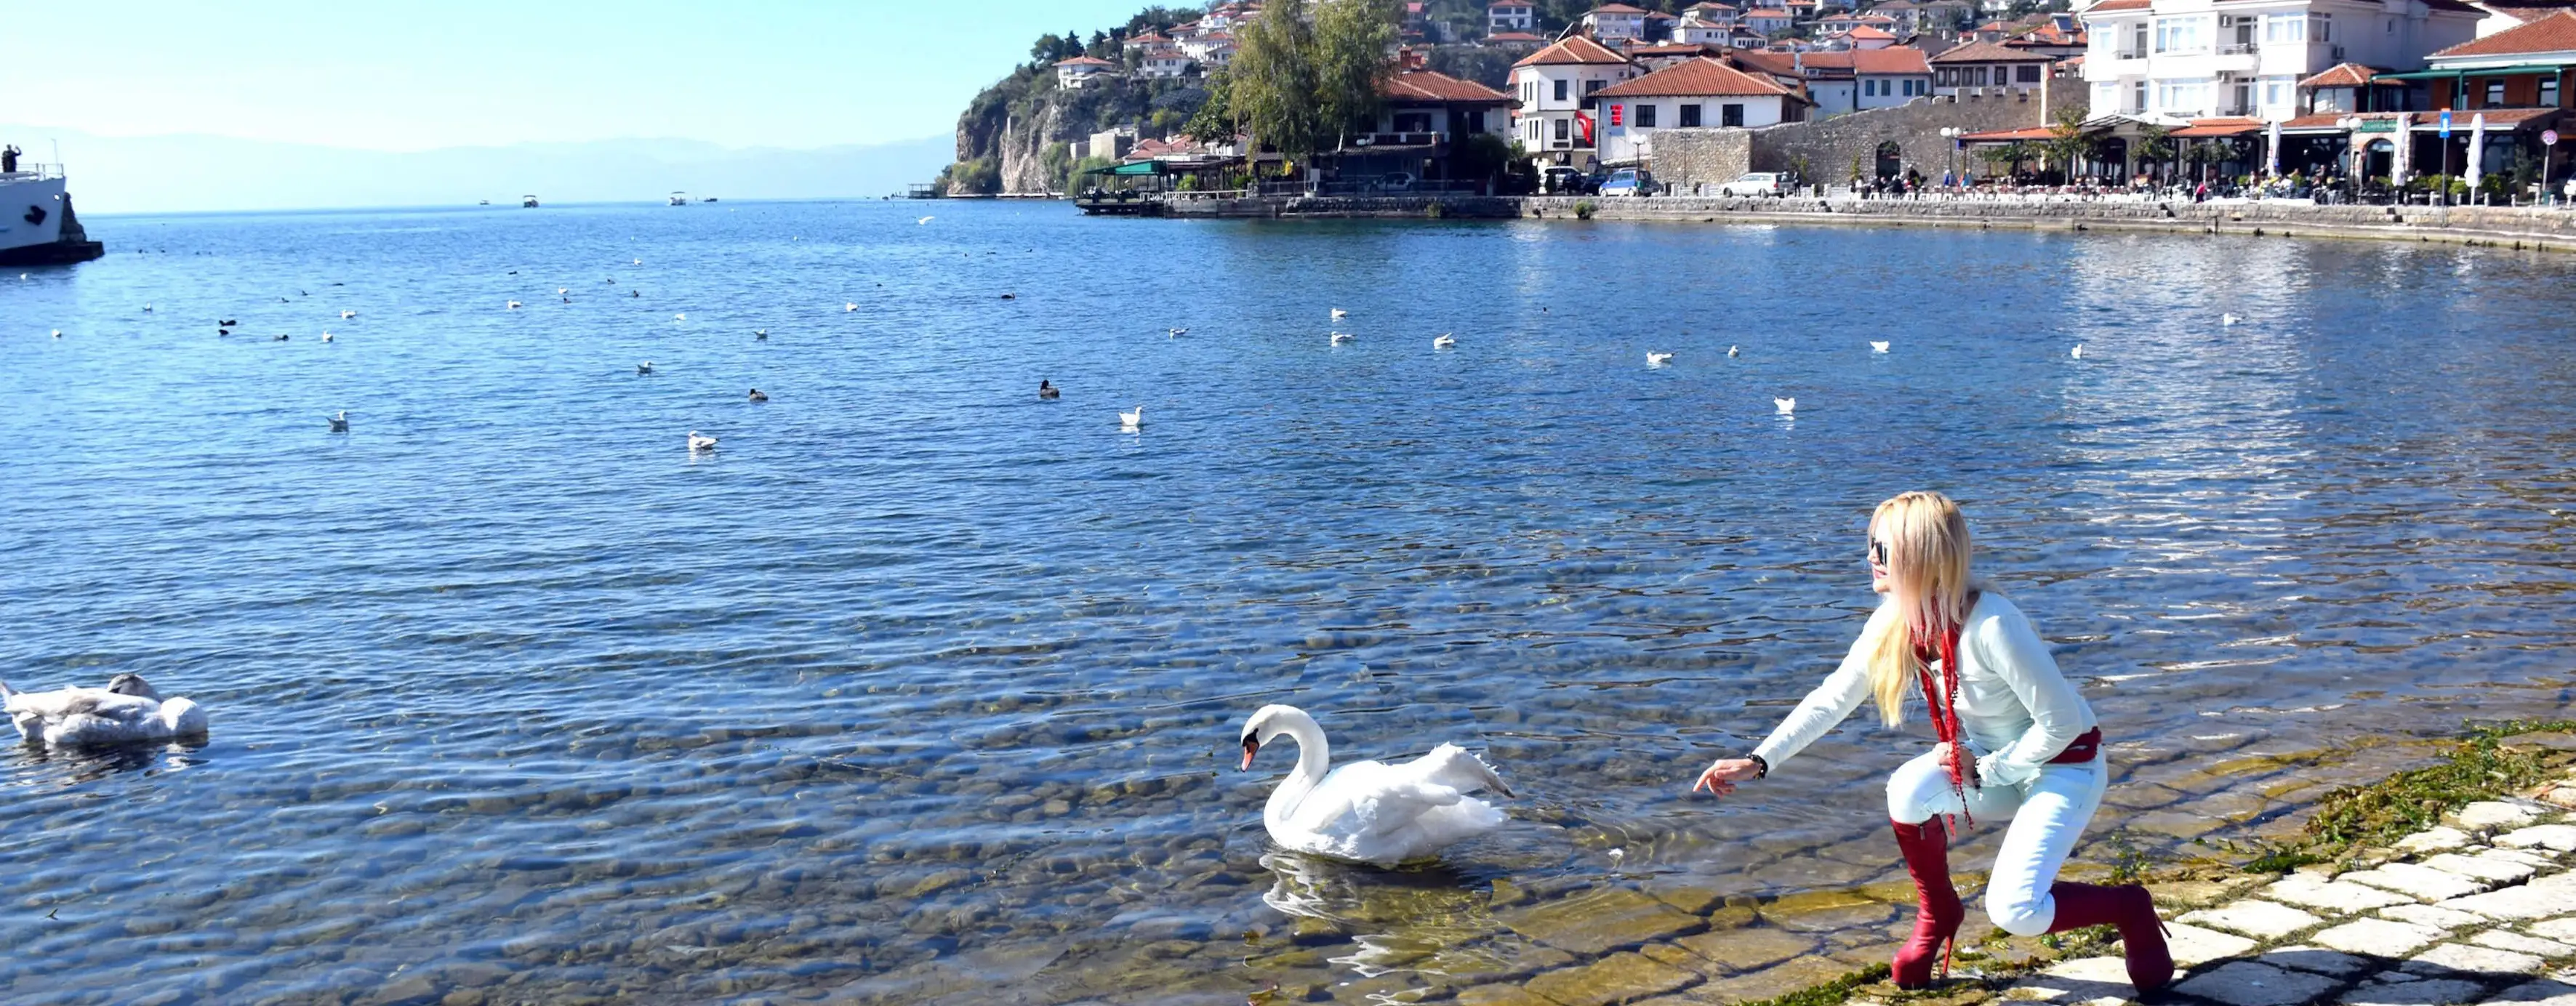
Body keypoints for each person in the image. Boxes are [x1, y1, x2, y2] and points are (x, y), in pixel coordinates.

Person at [1693, 492, 2170, 993]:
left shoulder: (1994, 623)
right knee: (1906, 788)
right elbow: (1831, 698)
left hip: (2065, 768)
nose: (1868, 560)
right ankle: (1938, 912)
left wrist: (1987, 771)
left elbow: (2064, 724)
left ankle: (2127, 908)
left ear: (1918, 553)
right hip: (1996, 766)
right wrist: (1758, 760)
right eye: (1869, 547)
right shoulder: (1896, 618)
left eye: (1880, 549)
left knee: (2015, 911)